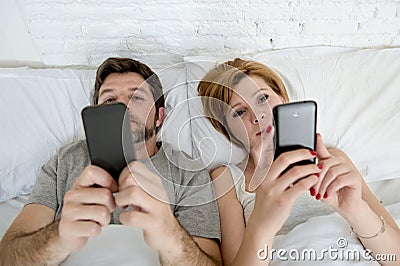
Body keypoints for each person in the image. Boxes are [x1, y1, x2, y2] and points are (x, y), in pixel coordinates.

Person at [0, 57, 222, 265]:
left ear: (159, 116)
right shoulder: (65, 161)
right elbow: (7, 257)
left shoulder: (190, 173)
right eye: (110, 99)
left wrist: (170, 235)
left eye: (136, 97)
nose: (123, 107)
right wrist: (58, 237)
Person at [197, 58, 400, 265]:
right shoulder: (227, 178)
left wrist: (356, 210)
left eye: (262, 98)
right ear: (227, 129)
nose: (257, 116)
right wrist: (263, 222)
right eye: (239, 112)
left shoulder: (333, 159)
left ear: (283, 99)